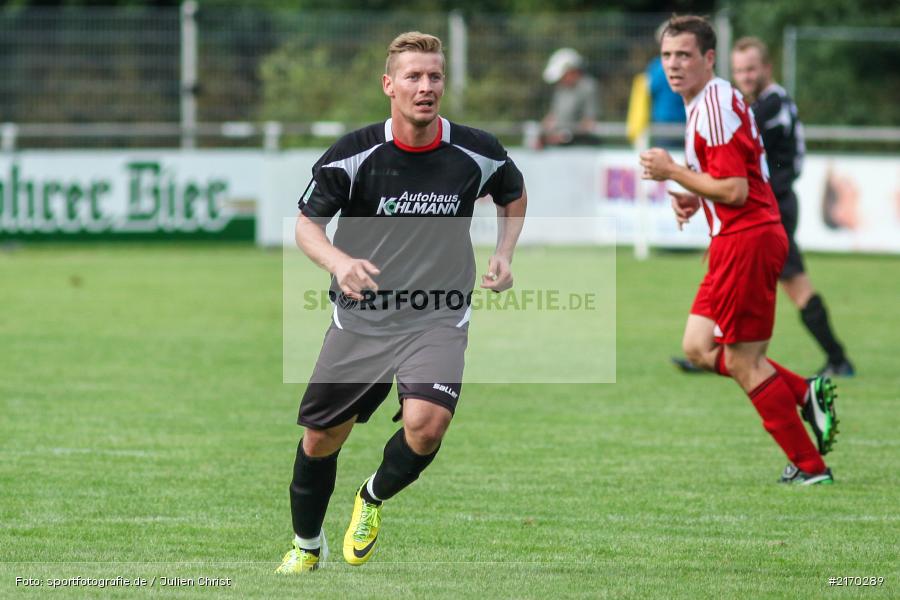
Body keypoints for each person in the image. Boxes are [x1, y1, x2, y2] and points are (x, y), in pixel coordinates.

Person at [275, 31, 527, 574]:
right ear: (389, 85)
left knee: (426, 425)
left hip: (438, 313)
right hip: (363, 318)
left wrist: (505, 252)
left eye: (434, 76)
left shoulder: (476, 151)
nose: (425, 86)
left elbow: (512, 190)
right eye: (413, 76)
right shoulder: (355, 154)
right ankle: (306, 545)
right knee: (321, 439)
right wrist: (340, 263)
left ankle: (370, 498)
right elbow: (306, 226)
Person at [639, 16, 839, 485]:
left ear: (709, 58)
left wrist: (673, 172)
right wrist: (693, 192)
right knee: (697, 346)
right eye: (667, 56)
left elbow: (734, 190)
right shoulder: (707, 101)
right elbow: (731, 179)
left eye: (684, 55)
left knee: (744, 360)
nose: (673, 65)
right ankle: (804, 392)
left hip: (746, 238)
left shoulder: (713, 106)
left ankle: (811, 467)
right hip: (735, 239)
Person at [673, 36, 854, 377]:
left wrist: (690, 183)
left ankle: (836, 358)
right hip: (766, 207)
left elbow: (737, 160)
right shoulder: (761, 104)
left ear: (767, 68)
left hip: (773, 208)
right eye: (739, 70)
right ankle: (711, 350)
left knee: (796, 286)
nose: (744, 76)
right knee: (747, 280)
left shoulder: (771, 106)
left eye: (751, 69)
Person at [540, 48, 600, 146]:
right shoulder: (561, 89)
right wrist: (543, 133)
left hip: (581, 147)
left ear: (572, 71)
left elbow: (589, 123)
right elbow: (552, 116)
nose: (561, 80)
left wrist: (566, 135)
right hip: (559, 146)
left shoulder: (588, 87)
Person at [648, 21, 686, 147]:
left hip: (664, 122)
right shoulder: (686, 64)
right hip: (682, 121)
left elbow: (650, 90)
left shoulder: (655, 67)